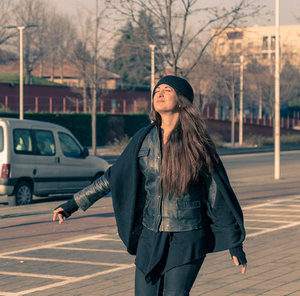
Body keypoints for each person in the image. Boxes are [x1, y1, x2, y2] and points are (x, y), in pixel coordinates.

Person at [53, 75, 247, 295]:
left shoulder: (197, 142)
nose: (159, 94)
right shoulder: (142, 138)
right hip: (151, 235)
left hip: (188, 234)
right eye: (157, 91)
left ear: (182, 100)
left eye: (167, 90)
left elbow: (216, 194)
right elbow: (112, 177)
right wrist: (73, 204)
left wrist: (235, 243)